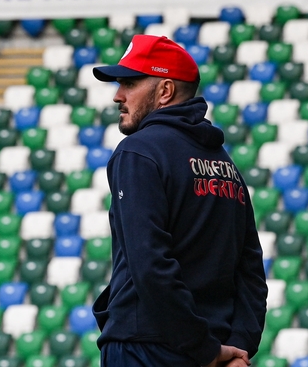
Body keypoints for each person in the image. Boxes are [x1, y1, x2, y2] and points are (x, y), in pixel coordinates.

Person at [91, 34, 268, 367]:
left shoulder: (139, 152)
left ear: (165, 91)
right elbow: (251, 271)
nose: (118, 95)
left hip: (148, 348)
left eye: (129, 83)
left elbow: (150, 265)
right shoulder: (225, 164)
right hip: (214, 350)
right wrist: (238, 348)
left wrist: (204, 348)